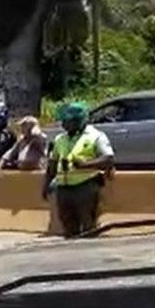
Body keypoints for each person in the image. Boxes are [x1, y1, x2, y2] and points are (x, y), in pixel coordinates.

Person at [43, 101, 115, 238]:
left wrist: (85, 165)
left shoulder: (96, 136)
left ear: (80, 121)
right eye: (63, 121)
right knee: (68, 225)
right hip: (64, 188)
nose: (64, 125)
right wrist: (46, 184)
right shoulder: (60, 139)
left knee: (88, 226)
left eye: (68, 121)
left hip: (86, 186)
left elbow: (108, 159)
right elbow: (52, 164)